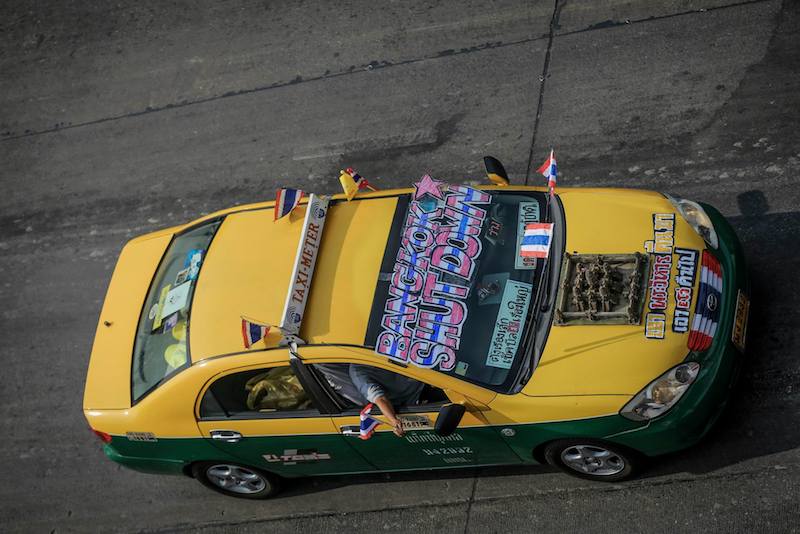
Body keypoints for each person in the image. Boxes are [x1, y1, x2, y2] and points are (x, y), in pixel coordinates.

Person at [316, 364, 425, 437]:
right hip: (418, 394)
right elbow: (380, 399)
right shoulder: (359, 373)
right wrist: (394, 421)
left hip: (423, 378)